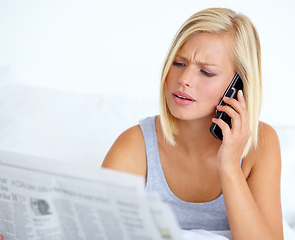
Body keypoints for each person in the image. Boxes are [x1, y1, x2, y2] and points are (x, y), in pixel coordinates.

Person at [102, 7, 284, 240]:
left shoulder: (262, 143)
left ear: (238, 85)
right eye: (178, 63)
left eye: (206, 72)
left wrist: (229, 165)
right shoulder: (135, 145)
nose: (184, 79)